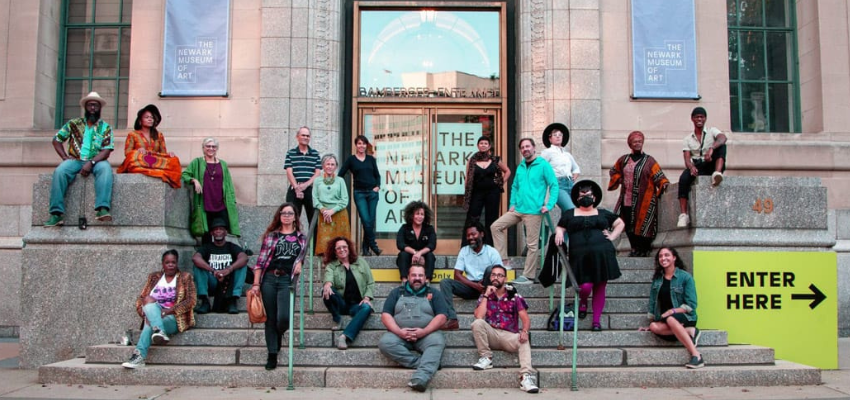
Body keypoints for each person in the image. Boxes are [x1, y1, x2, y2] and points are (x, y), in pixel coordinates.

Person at [554, 180, 625, 331]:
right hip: (579, 258)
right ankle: (583, 301)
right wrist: (559, 233)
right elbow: (560, 227)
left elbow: (620, 223)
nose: (585, 196)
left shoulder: (603, 213)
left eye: (588, 194)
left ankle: (596, 322)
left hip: (603, 255)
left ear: (594, 197)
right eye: (582, 194)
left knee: (600, 287)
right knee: (585, 287)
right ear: (578, 197)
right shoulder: (569, 214)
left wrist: (612, 236)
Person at [492, 138, 558, 285]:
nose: (525, 149)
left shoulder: (543, 165)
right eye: (522, 147)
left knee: (532, 244)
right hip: (518, 209)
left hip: (534, 211)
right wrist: (512, 203)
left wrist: (549, 205)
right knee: (496, 226)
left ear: (534, 148)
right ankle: (504, 261)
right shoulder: (521, 166)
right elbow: (515, 186)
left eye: (528, 146)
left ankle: (528, 276)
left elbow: (554, 185)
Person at [249, 202, 307, 370]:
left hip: (286, 281)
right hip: (269, 278)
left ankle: (279, 334)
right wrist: (256, 284)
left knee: (283, 318)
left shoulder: (301, 238)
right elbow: (260, 261)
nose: (287, 216)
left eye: (290, 213)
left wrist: (300, 264)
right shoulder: (272, 236)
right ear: (279, 216)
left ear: (295, 216)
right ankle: (272, 354)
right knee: (271, 318)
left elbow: (301, 257)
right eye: (284, 213)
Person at [45, 91, 115, 226]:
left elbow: (107, 150)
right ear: (85, 107)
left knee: (106, 170)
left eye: (96, 105)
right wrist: (64, 157)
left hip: (97, 161)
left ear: (100, 108)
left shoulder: (105, 127)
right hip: (75, 160)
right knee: (60, 171)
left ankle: (102, 209)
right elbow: (56, 140)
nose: (93, 108)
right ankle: (56, 214)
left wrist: (91, 162)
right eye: (90, 105)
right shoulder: (73, 124)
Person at [378, 264, 448, 392]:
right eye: (414, 275)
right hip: (400, 335)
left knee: (438, 341)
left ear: (426, 278)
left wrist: (424, 331)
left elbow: (442, 316)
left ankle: (420, 378)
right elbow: (385, 315)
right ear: (408, 277)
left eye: (420, 275)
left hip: (426, 335)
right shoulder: (396, 293)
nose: (417, 278)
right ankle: (421, 363)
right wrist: (399, 332)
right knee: (385, 343)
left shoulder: (434, 294)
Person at [122, 250, 196, 369]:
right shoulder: (154, 277)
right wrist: (149, 314)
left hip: (174, 318)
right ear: (162, 264)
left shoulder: (185, 277)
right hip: (154, 315)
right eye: (167, 262)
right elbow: (141, 299)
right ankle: (158, 330)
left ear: (177, 263)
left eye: (173, 262)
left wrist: (167, 311)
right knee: (147, 299)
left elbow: (191, 301)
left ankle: (139, 356)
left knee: (149, 323)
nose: (170, 264)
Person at [470, 265, 538, 393]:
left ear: (505, 279)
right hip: (491, 334)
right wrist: (486, 295)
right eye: (494, 275)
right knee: (477, 323)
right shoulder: (485, 295)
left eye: (500, 275)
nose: (496, 278)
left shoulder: (514, 296)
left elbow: (525, 319)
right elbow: (479, 316)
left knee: (524, 340)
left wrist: (524, 331)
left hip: (509, 336)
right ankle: (486, 357)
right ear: (490, 277)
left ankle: (526, 377)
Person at [640, 247, 704, 369]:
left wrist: (672, 311)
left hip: (685, 316)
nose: (663, 258)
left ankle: (697, 355)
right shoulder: (658, 279)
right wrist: (651, 321)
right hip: (666, 318)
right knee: (654, 326)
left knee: (671, 319)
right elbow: (653, 302)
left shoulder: (685, 277)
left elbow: (691, 305)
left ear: (674, 258)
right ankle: (690, 331)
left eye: (666, 255)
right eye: (660, 256)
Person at [608, 131, 670, 257]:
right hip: (627, 198)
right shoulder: (623, 160)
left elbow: (658, 175)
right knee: (629, 224)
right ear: (630, 144)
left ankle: (644, 249)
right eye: (635, 142)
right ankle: (634, 248)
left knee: (644, 224)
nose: (638, 144)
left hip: (644, 200)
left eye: (640, 142)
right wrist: (619, 179)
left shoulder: (649, 160)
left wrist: (663, 183)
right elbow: (613, 171)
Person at [439, 221, 501, 331]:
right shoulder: (464, 251)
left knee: (491, 270)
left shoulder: (492, 251)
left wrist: (485, 282)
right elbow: (457, 275)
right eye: (468, 235)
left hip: (487, 288)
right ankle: (452, 319)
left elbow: (500, 274)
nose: (470, 238)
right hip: (470, 287)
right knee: (445, 282)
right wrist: (474, 285)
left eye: (473, 234)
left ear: (481, 234)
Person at [182, 137, 241, 242]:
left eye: (213, 146)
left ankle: (221, 255)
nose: (211, 148)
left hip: (221, 204)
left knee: (222, 231)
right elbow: (184, 174)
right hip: (204, 204)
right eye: (208, 146)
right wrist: (194, 180)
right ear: (203, 148)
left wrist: (232, 200)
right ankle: (206, 256)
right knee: (206, 234)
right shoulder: (197, 162)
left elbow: (228, 183)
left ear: (217, 148)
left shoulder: (223, 164)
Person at [677, 107, 728, 228]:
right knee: (683, 179)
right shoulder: (688, 139)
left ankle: (717, 173)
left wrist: (712, 148)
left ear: (705, 119)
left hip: (711, 163)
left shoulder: (712, 131)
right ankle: (684, 214)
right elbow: (687, 158)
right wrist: (691, 167)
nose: (699, 119)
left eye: (701, 117)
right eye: (697, 117)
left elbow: (723, 138)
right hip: (697, 165)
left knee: (721, 146)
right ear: (692, 119)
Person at [322, 236, 375, 350]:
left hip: (357, 304)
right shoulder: (332, 266)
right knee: (326, 291)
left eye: (344, 247)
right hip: (341, 303)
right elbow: (328, 277)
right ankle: (338, 318)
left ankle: (344, 336)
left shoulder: (360, 262)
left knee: (367, 308)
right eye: (338, 248)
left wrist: (367, 298)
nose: (342, 250)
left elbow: (370, 283)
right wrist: (327, 284)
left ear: (349, 248)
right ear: (335, 251)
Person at [191, 218, 249, 314]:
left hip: (228, 281)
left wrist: (229, 269)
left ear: (226, 232)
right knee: (198, 266)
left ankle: (233, 299)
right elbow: (195, 258)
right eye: (215, 229)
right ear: (212, 233)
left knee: (242, 266)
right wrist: (213, 271)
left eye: (221, 229)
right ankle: (204, 300)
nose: (218, 231)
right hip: (213, 281)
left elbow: (244, 258)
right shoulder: (207, 247)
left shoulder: (231, 246)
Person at [116, 104, 182, 188]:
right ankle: (151, 169)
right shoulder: (133, 134)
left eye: (152, 117)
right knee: (132, 156)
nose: (150, 119)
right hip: (140, 161)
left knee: (174, 160)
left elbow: (163, 154)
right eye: (147, 117)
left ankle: (153, 169)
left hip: (155, 162)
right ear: (140, 120)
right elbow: (127, 153)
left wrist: (169, 154)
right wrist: (138, 151)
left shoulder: (159, 135)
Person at [463, 135, 511, 246]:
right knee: (473, 217)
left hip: (492, 193)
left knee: (492, 219)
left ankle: (490, 245)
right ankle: (469, 244)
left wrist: (500, 183)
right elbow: (468, 177)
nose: (483, 145)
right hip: (476, 192)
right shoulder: (472, 160)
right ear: (477, 146)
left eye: (485, 143)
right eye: (481, 143)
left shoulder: (495, 160)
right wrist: (466, 194)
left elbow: (508, 171)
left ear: (489, 146)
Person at [338, 135, 382, 256]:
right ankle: (373, 245)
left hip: (372, 193)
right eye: (359, 143)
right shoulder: (351, 160)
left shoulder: (371, 159)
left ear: (366, 145)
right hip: (360, 193)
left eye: (363, 143)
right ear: (356, 145)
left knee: (370, 221)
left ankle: (366, 249)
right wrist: (337, 188)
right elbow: (340, 175)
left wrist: (378, 186)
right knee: (366, 219)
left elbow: (377, 175)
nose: (361, 146)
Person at [313, 154, 350, 255]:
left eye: (332, 164)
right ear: (323, 166)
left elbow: (345, 199)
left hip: (339, 214)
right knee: (325, 247)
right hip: (324, 215)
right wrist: (324, 210)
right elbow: (315, 199)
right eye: (327, 164)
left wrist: (332, 211)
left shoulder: (340, 180)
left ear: (336, 167)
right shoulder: (317, 181)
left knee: (341, 245)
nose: (330, 166)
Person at [540, 122, 580, 212]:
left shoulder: (567, 154)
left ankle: (563, 226)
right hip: (558, 185)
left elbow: (576, 168)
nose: (558, 137)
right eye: (555, 135)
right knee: (571, 210)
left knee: (571, 213)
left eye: (560, 135)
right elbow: (540, 169)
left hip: (570, 184)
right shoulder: (547, 152)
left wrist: (574, 177)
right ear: (550, 138)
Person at [285, 126, 321, 223]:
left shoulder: (315, 153)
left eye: (308, 136)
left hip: (311, 189)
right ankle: (292, 238)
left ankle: (313, 239)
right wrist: (297, 187)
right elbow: (289, 172)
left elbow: (317, 173)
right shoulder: (290, 153)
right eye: (303, 135)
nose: (305, 137)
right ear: (297, 137)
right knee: (291, 219)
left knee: (314, 220)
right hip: (294, 189)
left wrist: (305, 185)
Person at [396, 201, 437, 281]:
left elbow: (432, 245)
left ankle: (427, 282)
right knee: (403, 255)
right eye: (417, 214)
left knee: (430, 255)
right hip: (409, 256)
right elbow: (400, 244)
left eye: (422, 214)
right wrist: (415, 253)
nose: (420, 217)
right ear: (411, 215)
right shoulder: (404, 228)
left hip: (423, 256)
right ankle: (404, 281)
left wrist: (420, 253)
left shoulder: (429, 229)